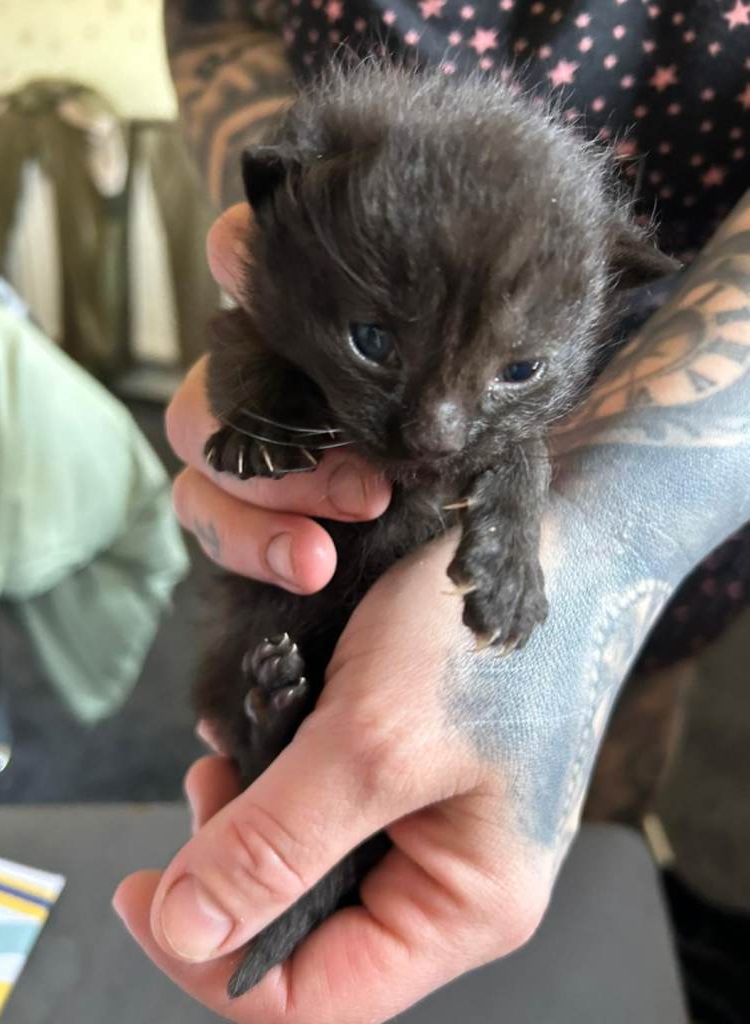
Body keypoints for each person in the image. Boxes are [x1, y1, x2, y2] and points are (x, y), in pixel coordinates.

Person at [113, 3, 750, 1021]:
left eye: (518, 372)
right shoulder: (314, 228)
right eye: (374, 344)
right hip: (298, 592)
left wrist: (593, 538)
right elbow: (216, 28)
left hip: (667, 527)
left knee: (581, 891)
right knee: (281, 702)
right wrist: (306, 232)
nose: (435, 431)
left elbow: (503, 452)